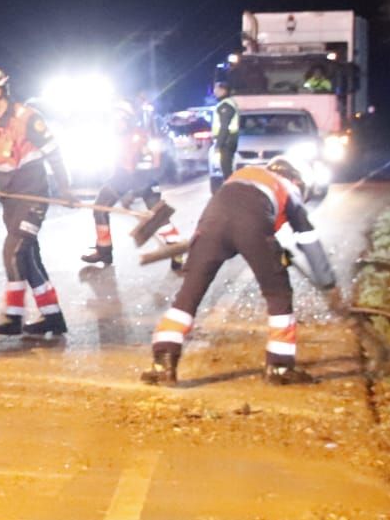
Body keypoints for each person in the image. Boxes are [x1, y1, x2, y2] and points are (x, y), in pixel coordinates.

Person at [139, 157, 338, 387]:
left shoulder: (246, 174)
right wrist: (328, 284)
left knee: (189, 293)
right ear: (296, 179)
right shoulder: (288, 187)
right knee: (278, 293)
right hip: (252, 227)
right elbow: (307, 238)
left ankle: (163, 362)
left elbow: (231, 214)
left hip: (210, 224)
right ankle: (280, 366)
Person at [0, 63, 76, 336]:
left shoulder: (28, 118)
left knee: (12, 251)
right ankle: (53, 317)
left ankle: (14, 316)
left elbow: (54, 154)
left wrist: (65, 188)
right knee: (28, 257)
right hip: (9, 198)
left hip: (33, 195)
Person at [80, 100, 183, 268]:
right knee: (100, 208)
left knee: (157, 217)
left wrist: (132, 194)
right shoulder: (116, 137)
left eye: (119, 119)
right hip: (123, 178)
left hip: (145, 181)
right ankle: (104, 251)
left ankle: (176, 250)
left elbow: (147, 170)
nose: (115, 122)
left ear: (127, 119)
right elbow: (120, 166)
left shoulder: (140, 138)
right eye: (113, 119)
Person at [212, 80, 240, 181]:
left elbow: (224, 127)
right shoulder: (226, 103)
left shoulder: (225, 106)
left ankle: (231, 191)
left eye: (216, 89)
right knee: (226, 168)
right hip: (228, 140)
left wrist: (218, 145)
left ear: (223, 91)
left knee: (226, 169)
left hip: (227, 141)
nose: (214, 91)